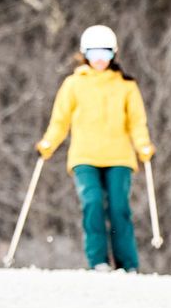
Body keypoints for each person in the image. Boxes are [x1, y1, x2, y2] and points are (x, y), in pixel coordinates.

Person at [34, 24, 155, 272]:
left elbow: (137, 121)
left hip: (119, 156)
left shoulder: (126, 85)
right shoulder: (73, 84)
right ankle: (98, 261)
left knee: (119, 207)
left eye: (106, 53)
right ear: (84, 54)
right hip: (85, 155)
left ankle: (127, 264)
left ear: (114, 54)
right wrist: (49, 143)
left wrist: (143, 146)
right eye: (94, 53)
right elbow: (60, 120)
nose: (100, 59)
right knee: (92, 204)